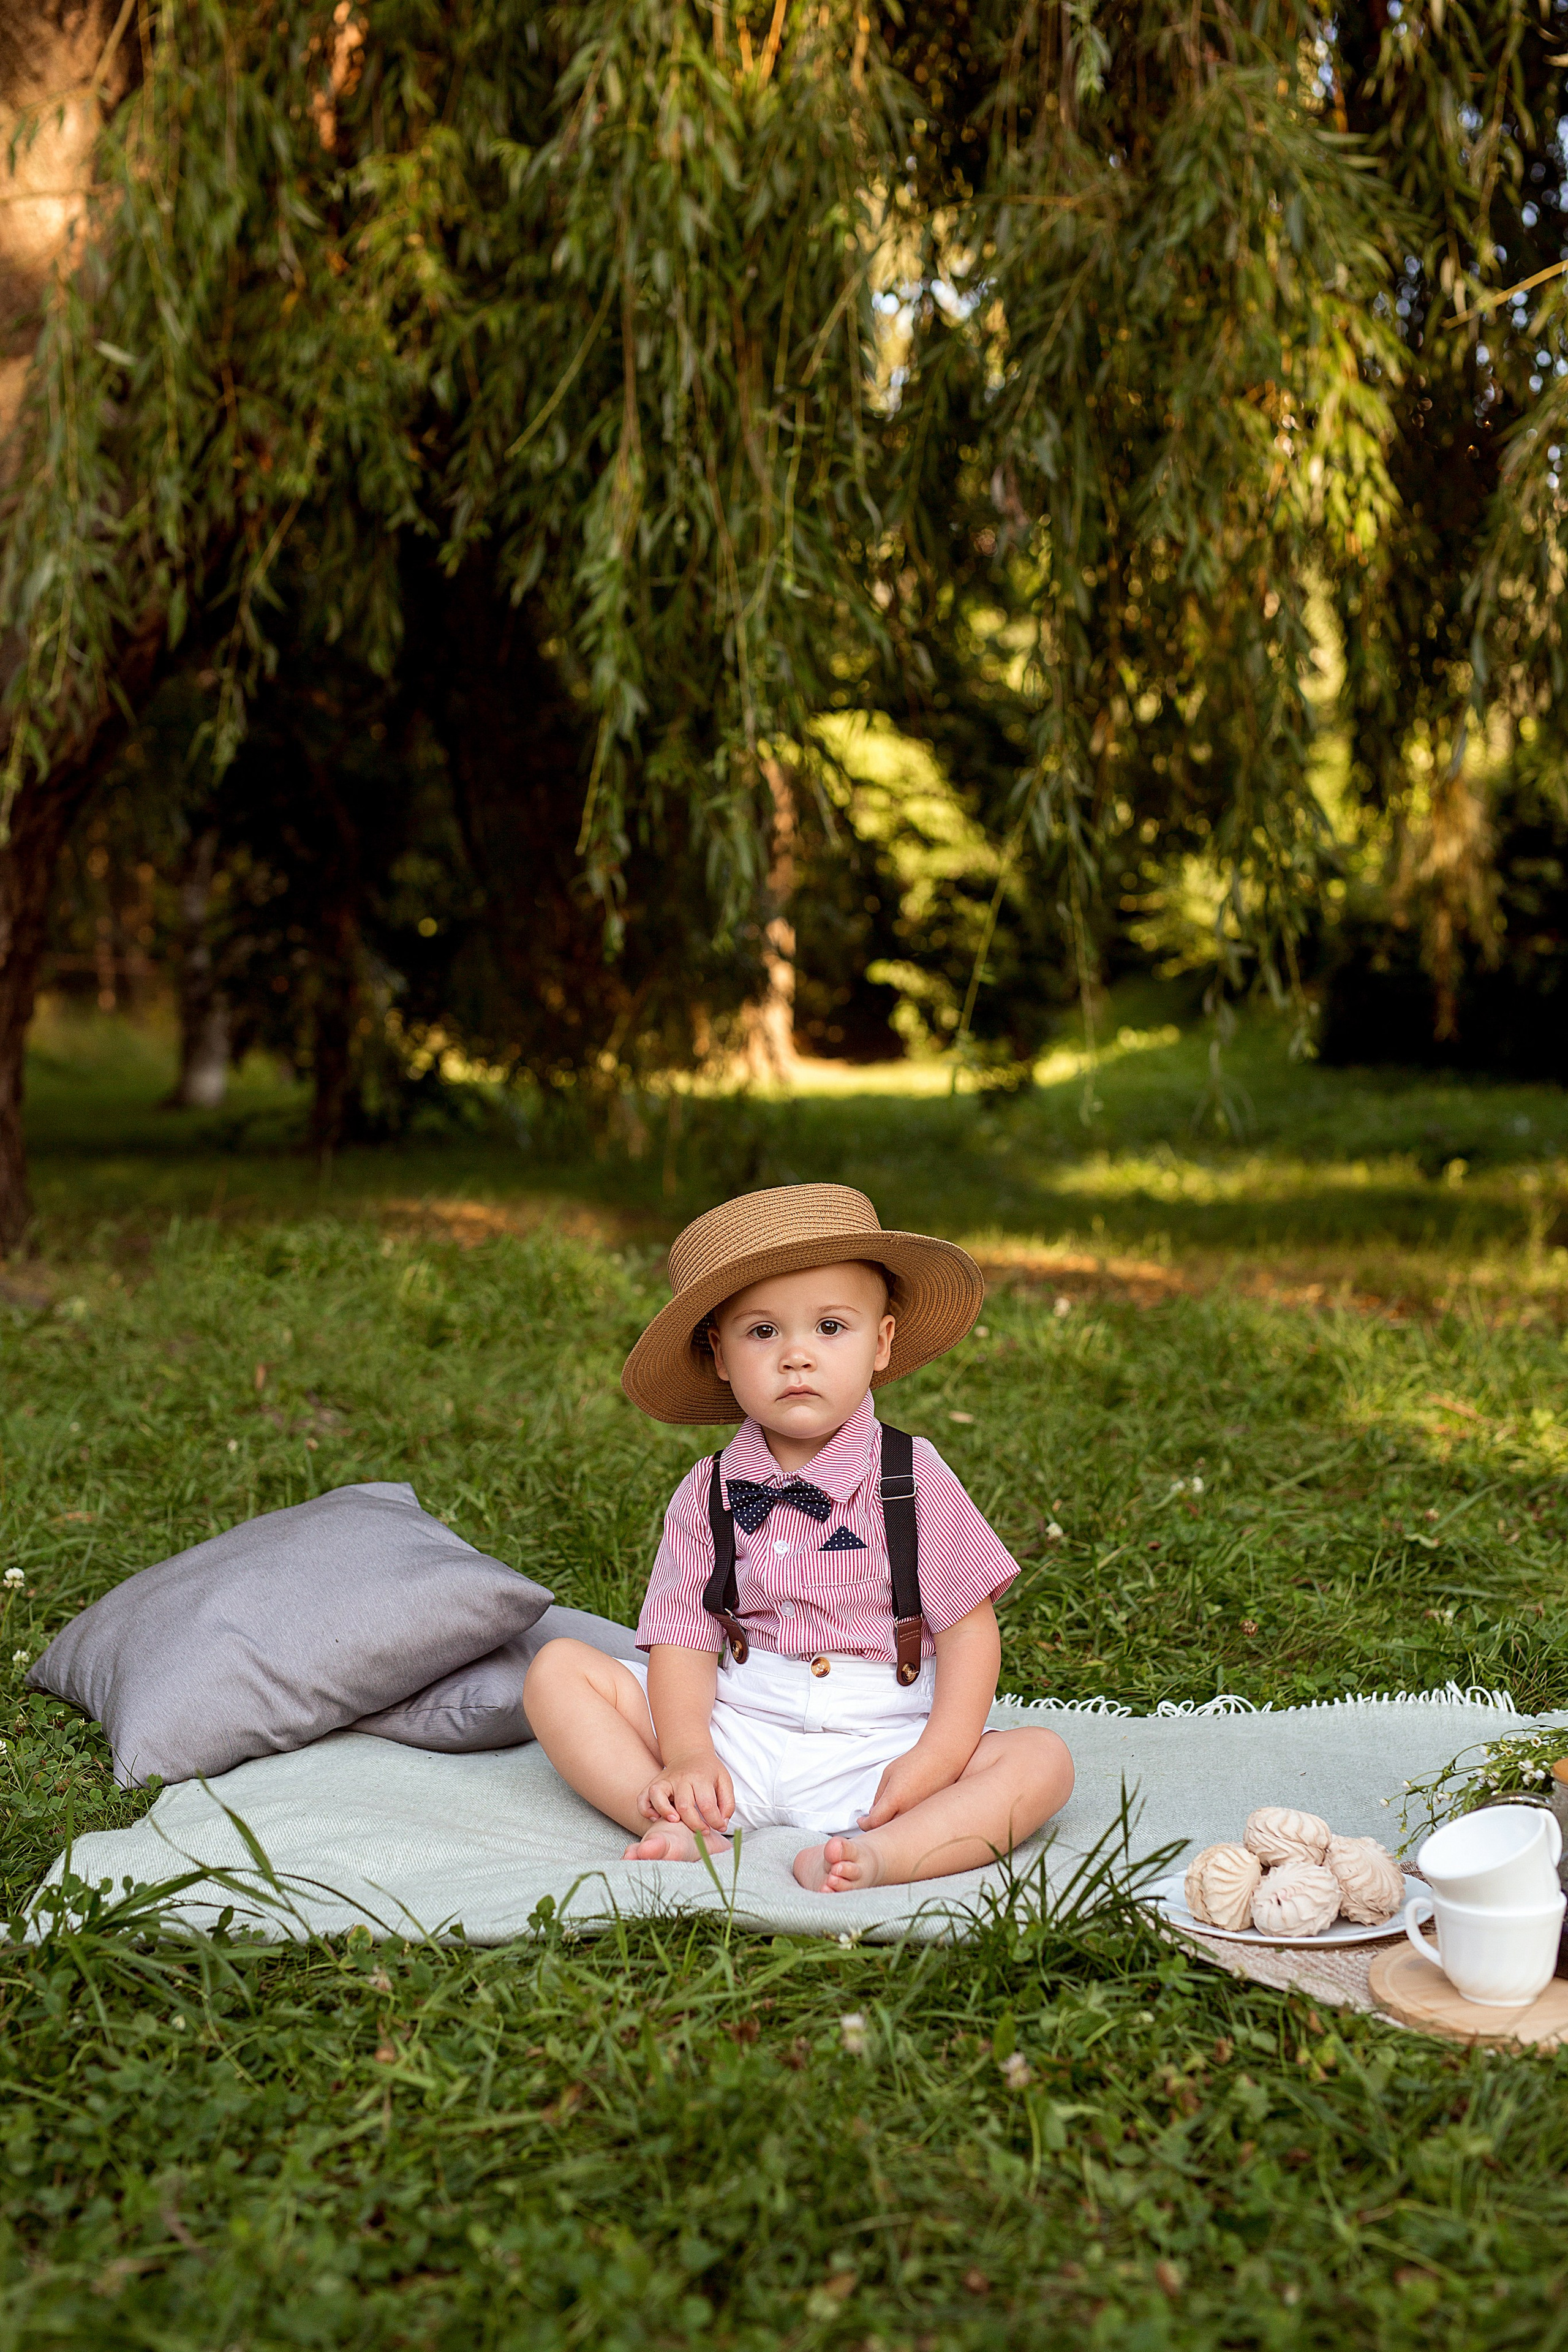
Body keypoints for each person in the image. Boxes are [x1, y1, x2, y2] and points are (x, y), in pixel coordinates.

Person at [523, 1183, 1074, 1893]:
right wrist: (690, 1751)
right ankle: (683, 1822)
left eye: (830, 1328)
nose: (796, 1357)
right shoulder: (709, 1487)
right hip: (738, 1727)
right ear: (720, 1357)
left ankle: (884, 1855)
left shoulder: (911, 1476)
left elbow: (969, 1634)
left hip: (880, 1742)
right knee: (558, 1672)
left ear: (881, 1344)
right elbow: (684, 1638)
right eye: (762, 1332)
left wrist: (935, 1759)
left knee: (1041, 1761)